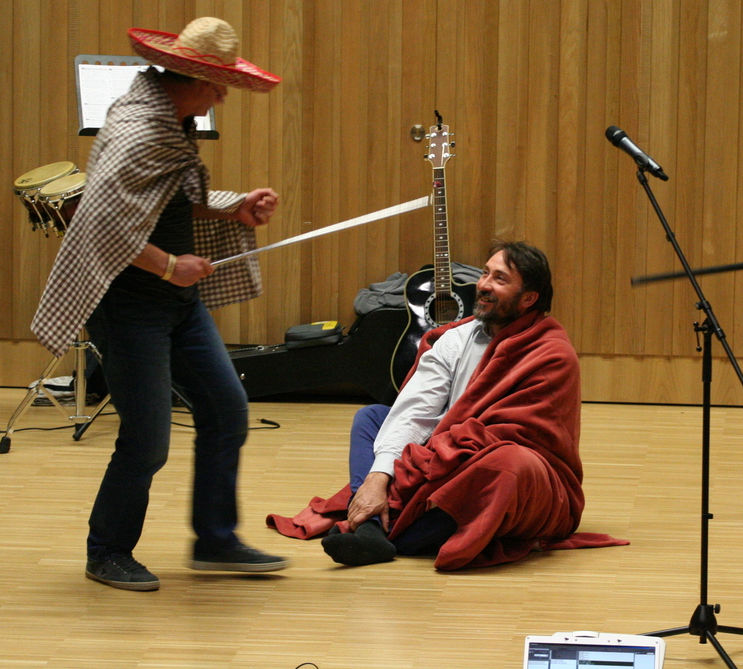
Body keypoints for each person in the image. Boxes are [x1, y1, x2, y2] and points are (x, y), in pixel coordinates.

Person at [31, 17, 289, 591]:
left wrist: (234, 207)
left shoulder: (167, 117)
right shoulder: (138, 131)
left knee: (226, 411)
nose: (223, 97)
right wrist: (172, 266)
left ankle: (215, 542)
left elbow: (161, 201)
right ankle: (107, 551)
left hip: (177, 304)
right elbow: (98, 221)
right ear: (191, 79)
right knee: (147, 441)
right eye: (218, 85)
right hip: (129, 307)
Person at [267, 241, 623, 570]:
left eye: (500, 279)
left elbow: (528, 436)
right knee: (372, 417)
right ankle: (373, 525)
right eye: (485, 273)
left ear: (528, 298)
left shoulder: (552, 353)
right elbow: (416, 408)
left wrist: (448, 449)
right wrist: (379, 477)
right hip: (442, 451)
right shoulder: (456, 337)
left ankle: (382, 530)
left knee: (507, 464)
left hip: (506, 470)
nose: (484, 285)